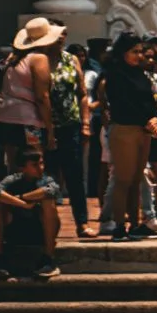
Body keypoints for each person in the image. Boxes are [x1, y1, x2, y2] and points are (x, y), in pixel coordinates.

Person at [100, 35, 157, 242]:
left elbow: (149, 99)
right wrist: (146, 119)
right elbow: (124, 103)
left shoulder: (141, 74)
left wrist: (154, 118)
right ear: (123, 52)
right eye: (134, 52)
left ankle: (135, 224)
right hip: (125, 128)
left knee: (137, 179)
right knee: (123, 179)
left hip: (143, 130)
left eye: (140, 52)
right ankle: (119, 225)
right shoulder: (116, 75)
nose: (139, 56)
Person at [0, 17, 63, 179]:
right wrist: (50, 129)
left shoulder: (14, 58)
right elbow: (42, 96)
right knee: (34, 162)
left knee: (13, 164)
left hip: (5, 116)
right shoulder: (39, 59)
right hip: (28, 119)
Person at [0, 146, 62, 279]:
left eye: (41, 163)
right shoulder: (13, 179)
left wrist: (21, 197)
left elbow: (51, 190)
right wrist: (22, 204)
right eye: (34, 165)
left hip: (39, 229)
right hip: (15, 228)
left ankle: (48, 259)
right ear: (22, 168)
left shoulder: (46, 179)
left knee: (48, 202)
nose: (40, 168)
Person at [47, 39, 91, 238]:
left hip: (70, 124)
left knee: (74, 174)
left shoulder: (70, 59)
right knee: (46, 176)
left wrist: (85, 122)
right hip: (44, 124)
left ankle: (82, 222)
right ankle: (47, 224)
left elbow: (82, 92)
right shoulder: (38, 59)